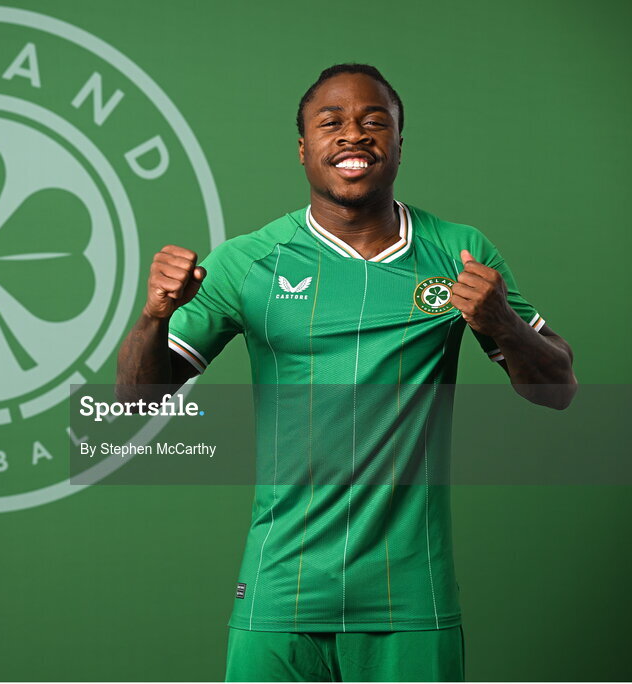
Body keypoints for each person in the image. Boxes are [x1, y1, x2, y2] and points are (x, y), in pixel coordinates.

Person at [115, 63, 577, 682]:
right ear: (304, 149)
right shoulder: (247, 262)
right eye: (331, 123)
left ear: (399, 146)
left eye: (373, 122)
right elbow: (134, 402)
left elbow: (559, 391)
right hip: (282, 591)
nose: (353, 135)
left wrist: (502, 323)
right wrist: (152, 316)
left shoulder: (460, 251)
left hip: (411, 596)